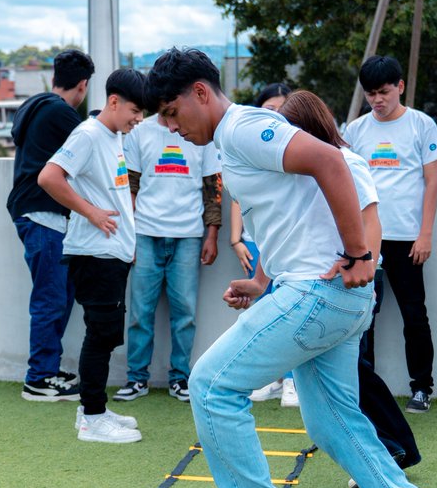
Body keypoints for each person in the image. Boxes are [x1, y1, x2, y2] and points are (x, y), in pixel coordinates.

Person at [148, 48, 437, 488]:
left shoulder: (241, 128)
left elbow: (330, 161)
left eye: (173, 113)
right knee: (332, 422)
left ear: (200, 92)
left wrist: (360, 254)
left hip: (317, 293)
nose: (172, 127)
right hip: (323, 294)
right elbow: (290, 213)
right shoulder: (233, 141)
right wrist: (260, 281)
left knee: (211, 384)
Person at [279, 90, 422, 472]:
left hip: (352, 284)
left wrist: (365, 274)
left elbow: (371, 221)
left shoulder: (347, 162)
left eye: (292, 130)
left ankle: (393, 446)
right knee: (349, 372)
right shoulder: (306, 167)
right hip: (323, 285)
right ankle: (390, 447)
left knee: (354, 372)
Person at [37, 69, 148, 444]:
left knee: (106, 334)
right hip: (94, 253)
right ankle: (92, 419)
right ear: (113, 101)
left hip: (112, 253)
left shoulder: (114, 135)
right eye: (135, 110)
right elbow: (49, 177)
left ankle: (92, 408)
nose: (139, 119)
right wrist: (91, 213)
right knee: (100, 336)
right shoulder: (87, 134)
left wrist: (127, 241)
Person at [343, 55, 437, 413]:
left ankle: (422, 388)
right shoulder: (355, 130)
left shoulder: (421, 125)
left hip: (408, 239)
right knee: (363, 317)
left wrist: (425, 233)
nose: (377, 100)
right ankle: (362, 389)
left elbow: (433, 182)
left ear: (400, 87)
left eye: (383, 92)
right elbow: (345, 185)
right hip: (366, 240)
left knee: (414, 315)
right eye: (370, 94)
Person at [115, 111, 222, 403]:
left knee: (185, 313)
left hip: (188, 235)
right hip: (145, 234)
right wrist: (130, 235)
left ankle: (180, 378)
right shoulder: (140, 132)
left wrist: (212, 234)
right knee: (140, 313)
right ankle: (137, 379)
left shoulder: (201, 134)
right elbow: (130, 187)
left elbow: (213, 187)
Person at [6, 49, 93, 402]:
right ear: (83, 85)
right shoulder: (60, 113)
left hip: (37, 214)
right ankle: (39, 378)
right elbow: (94, 143)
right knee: (51, 298)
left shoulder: (36, 106)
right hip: (43, 216)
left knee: (60, 295)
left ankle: (48, 370)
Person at [240, 83, 299, 406]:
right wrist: (235, 239)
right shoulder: (247, 147)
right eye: (269, 109)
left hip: (288, 243)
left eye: (281, 109)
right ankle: (271, 378)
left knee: (289, 312)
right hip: (256, 243)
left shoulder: (295, 148)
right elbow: (236, 197)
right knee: (263, 312)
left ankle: (291, 380)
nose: (275, 115)